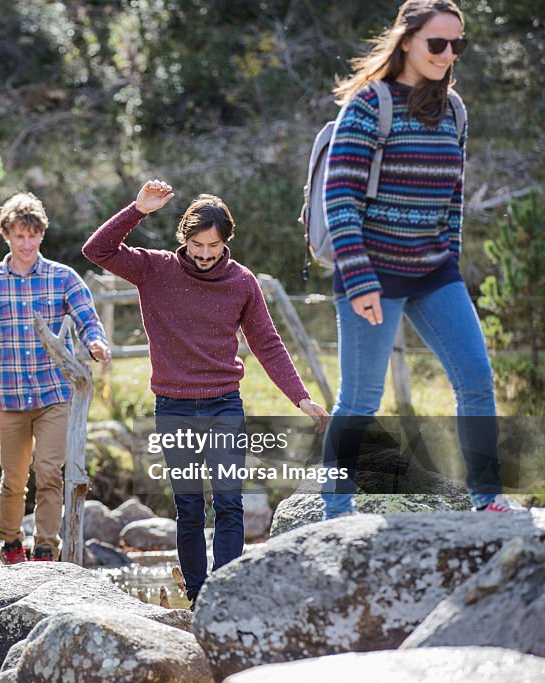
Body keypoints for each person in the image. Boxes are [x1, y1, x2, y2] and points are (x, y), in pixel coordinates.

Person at [83, 180, 328, 607]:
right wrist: (137, 210)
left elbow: (268, 343)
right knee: (190, 508)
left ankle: (226, 592)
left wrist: (300, 397)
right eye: (196, 245)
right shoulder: (153, 269)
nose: (203, 255)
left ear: (225, 243)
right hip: (173, 406)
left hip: (223, 405)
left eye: (212, 247)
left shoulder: (241, 282)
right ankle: (197, 597)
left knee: (230, 504)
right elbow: (97, 251)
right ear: (185, 238)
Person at [320, 0, 514, 518]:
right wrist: (359, 280)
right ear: (407, 41)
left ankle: (487, 498)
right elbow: (338, 197)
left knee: (475, 379)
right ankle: (335, 511)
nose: (448, 54)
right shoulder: (369, 103)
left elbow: (453, 198)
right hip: (372, 271)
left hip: (434, 272)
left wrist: (448, 261)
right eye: (437, 43)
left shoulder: (454, 110)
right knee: (360, 399)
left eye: (458, 45)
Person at [0, 192, 111, 564]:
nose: (26, 244)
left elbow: (87, 319)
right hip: (10, 398)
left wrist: (96, 342)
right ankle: (11, 545)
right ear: (7, 236)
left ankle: (46, 548)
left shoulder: (63, 277)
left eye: (32, 236)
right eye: (19, 236)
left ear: (41, 235)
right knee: (13, 478)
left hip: (54, 394)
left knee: (49, 472)